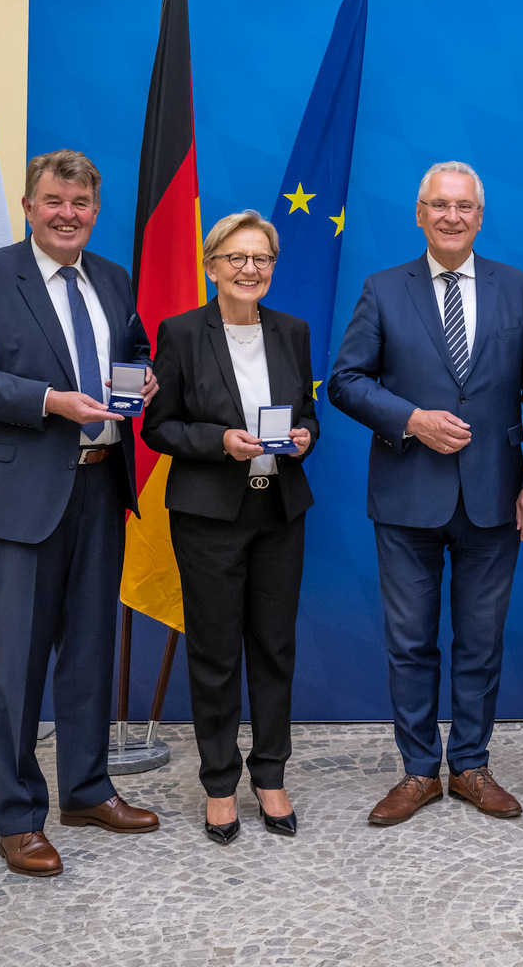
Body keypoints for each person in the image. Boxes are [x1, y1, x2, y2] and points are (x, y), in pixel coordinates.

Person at [0, 149, 162, 877]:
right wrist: (48, 402)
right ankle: (18, 815)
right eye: (55, 201)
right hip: (23, 495)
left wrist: (144, 377)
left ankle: (87, 788)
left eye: (82, 203)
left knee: (91, 650)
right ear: (30, 206)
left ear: (97, 211)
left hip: (100, 486)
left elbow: (131, 349)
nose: (69, 214)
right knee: (20, 664)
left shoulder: (113, 278)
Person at [328, 161, 523, 826]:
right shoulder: (382, 288)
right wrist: (411, 419)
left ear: (479, 217)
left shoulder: (518, 289)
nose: (452, 216)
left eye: (464, 207)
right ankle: (420, 770)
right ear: (420, 214)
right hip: (406, 497)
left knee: (481, 641)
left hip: (495, 497)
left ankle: (474, 765)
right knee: (410, 642)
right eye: (439, 205)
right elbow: (346, 381)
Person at [142, 210, 318, 845]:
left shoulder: (293, 332)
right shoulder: (183, 333)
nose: (250, 270)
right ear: (211, 265)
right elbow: (156, 426)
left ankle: (270, 776)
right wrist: (222, 442)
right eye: (237, 258)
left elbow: (308, 413)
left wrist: (304, 436)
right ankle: (220, 784)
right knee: (215, 654)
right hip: (209, 517)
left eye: (262, 259)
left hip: (279, 511)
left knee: (274, 649)